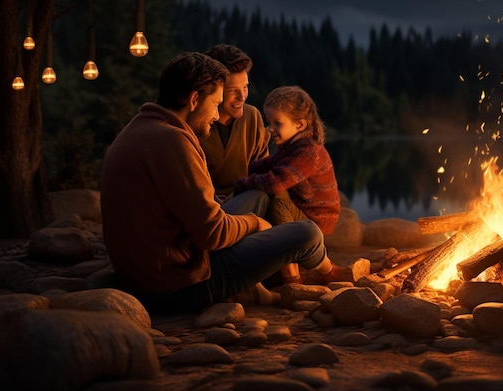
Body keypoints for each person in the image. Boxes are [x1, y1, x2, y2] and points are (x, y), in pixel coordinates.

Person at [100, 52, 339, 313]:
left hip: (165, 262)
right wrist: (254, 223)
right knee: (307, 233)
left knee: (257, 196)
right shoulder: (172, 141)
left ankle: (257, 284)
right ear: (194, 100)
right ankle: (327, 274)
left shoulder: (143, 127)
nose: (216, 114)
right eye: (215, 104)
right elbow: (212, 234)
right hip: (177, 285)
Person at [234, 86, 342, 284]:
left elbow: (276, 182)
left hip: (315, 219)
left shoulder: (309, 152)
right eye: (269, 122)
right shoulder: (290, 147)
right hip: (300, 211)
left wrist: (243, 184)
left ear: (299, 125)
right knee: (267, 194)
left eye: (277, 123)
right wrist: (244, 170)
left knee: (276, 197)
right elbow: (267, 164)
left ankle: (292, 277)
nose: (270, 129)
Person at [201, 44, 271, 215]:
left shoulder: (252, 117)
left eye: (245, 87)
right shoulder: (197, 122)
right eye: (233, 90)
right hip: (205, 210)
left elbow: (264, 173)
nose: (242, 97)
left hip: (246, 203)